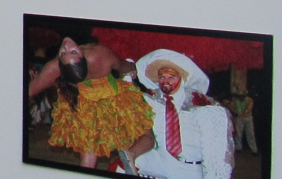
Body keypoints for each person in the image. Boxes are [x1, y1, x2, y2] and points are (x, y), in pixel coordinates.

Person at [28, 37, 154, 169]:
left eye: (70, 52)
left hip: (85, 109)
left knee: (89, 151)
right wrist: (132, 67)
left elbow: (29, 90)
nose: (66, 47)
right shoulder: (98, 54)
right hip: (116, 101)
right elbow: (122, 66)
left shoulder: (53, 68)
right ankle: (130, 154)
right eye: (65, 53)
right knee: (147, 137)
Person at [134, 50, 234, 179]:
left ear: (182, 79)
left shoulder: (204, 107)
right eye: (162, 77)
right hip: (161, 162)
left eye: (171, 77)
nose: (166, 81)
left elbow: (215, 154)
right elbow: (129, 95)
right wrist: (127, 73)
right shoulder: (152, 102)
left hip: (191, 169)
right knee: (125, 163)